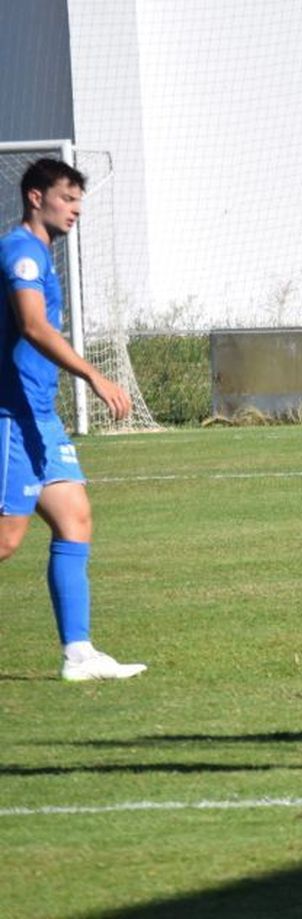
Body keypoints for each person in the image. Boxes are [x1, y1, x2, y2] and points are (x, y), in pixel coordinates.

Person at [1, 158, 141, 681]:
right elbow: (34, 326)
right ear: (36, 197)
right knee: (5, 541)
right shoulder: (21, 253)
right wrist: (94, 377)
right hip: (11, 414)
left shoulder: (43, 254)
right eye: (67, 198)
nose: (76, 208)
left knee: (74, 517)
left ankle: (78, 654)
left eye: (79, 200)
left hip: (40, 415)